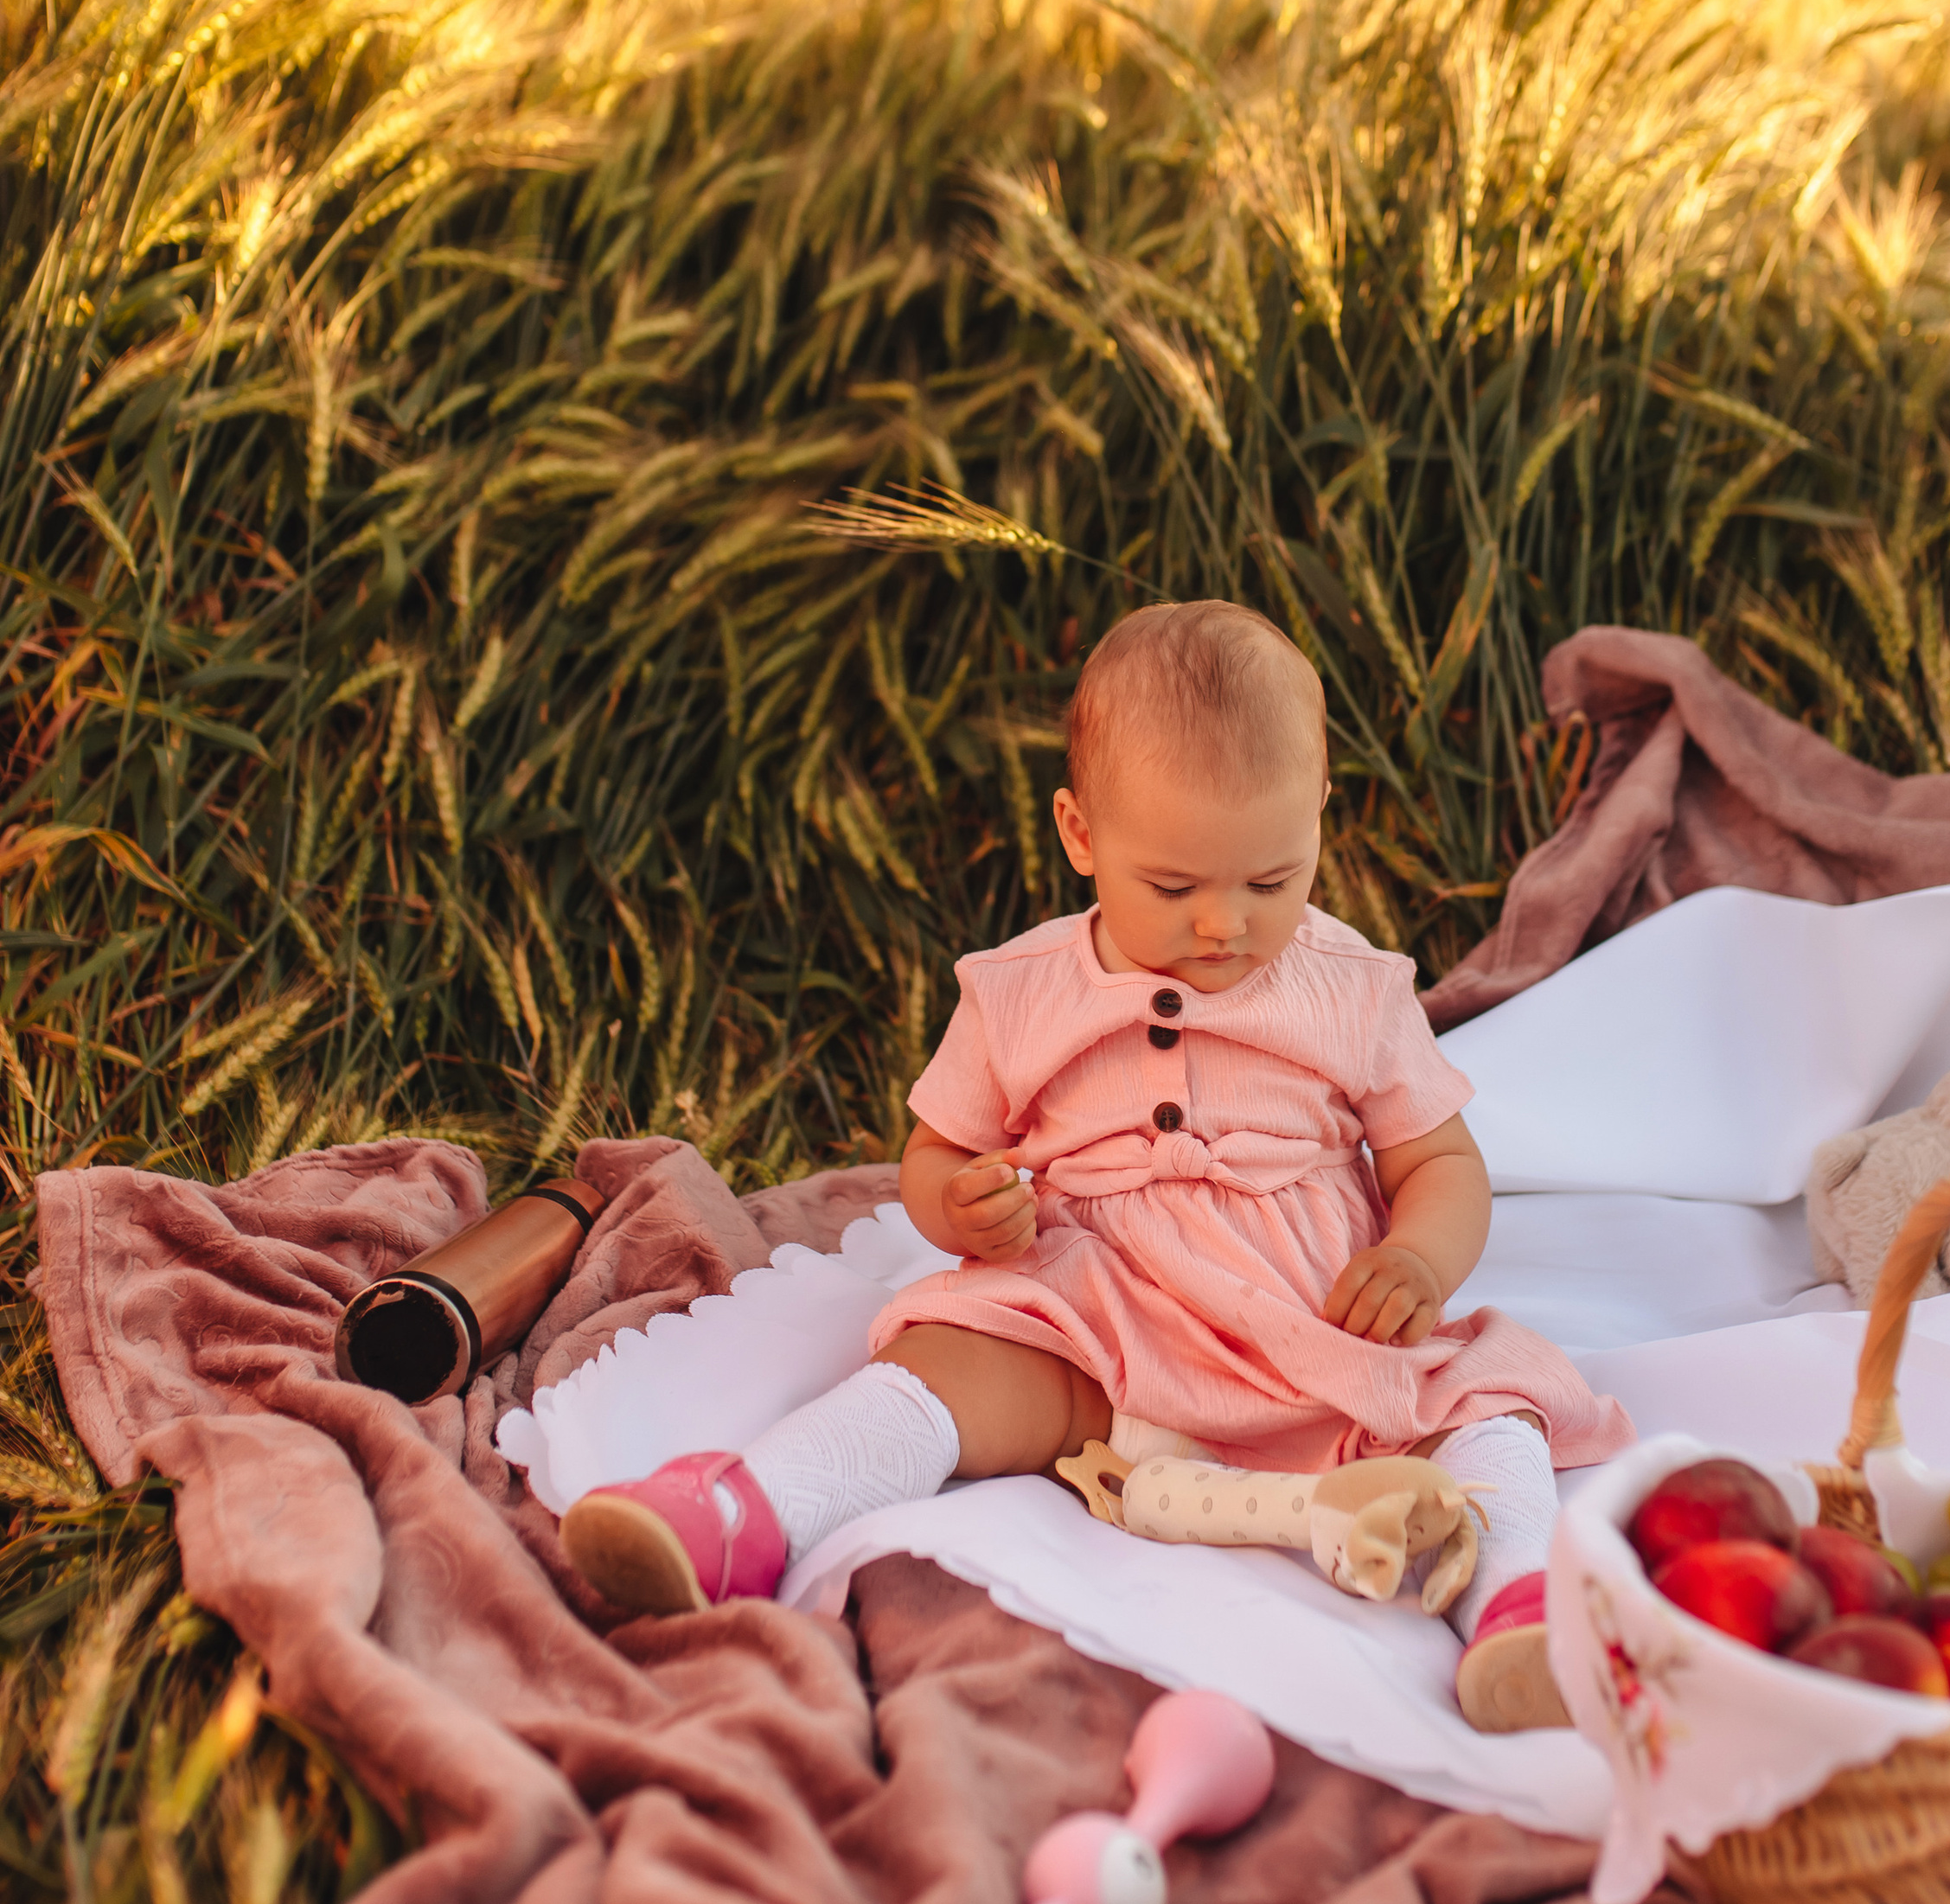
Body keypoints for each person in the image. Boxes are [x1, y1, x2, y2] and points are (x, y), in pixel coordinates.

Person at [561, 602, 1632, 1723]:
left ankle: (1518, 1604)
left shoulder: (1352, 986)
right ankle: (755, 1508)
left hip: (1315, 1324)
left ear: (1319, 816)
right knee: (948, 1358)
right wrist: (958, 1210)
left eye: (1272, 881)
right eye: (1174, 887)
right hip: (1102, 1315)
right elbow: (936, 1156)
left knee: (1486, 1406)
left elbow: (1440, 1161)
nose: (1224, 925)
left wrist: (1417, 1256)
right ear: (1080, 836)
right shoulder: (1021, 993)